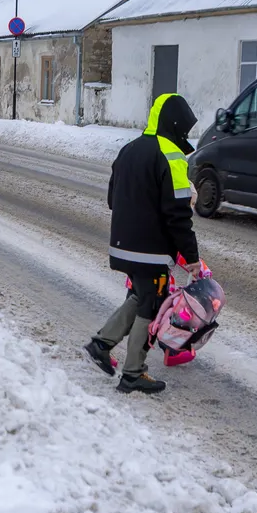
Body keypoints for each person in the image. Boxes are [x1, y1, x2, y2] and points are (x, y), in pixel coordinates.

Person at [84, 93, 208, 394]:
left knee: (141, 296)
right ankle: (133, 372)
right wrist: (190, 256)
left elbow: (113, 199)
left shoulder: (129, 149)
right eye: (185, 128)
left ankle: (101, 344)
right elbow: (178, 214)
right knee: (150, 305)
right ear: (175, 123)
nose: (186, 134)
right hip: (150, 250)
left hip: (122, 244)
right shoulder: (171, 155)